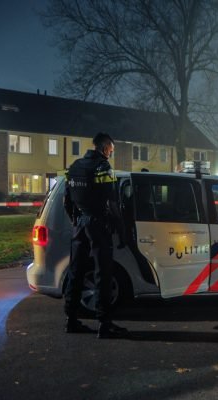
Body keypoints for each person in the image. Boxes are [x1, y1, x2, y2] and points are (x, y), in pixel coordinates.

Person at [63, 132, 128, 339]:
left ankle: (71, 320)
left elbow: (67, 201)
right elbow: (112, 202)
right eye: (111, 150)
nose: (111, 153)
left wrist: (75, 220)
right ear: (105, 147)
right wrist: (121, 228)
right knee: (103, 274)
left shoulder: (74, 167)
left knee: (76, 271)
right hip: (97, 224)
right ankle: (104, 324)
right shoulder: (103, 167)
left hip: (79, 225)